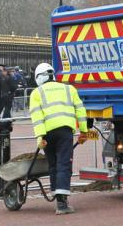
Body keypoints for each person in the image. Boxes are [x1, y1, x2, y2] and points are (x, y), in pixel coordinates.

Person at [29, 62, 89, 215]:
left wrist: (40, 138)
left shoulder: (36, 93)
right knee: (64, 164)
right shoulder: (69, 89)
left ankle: (57, 195)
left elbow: (37, 117)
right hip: (65, 132)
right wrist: (83, 131)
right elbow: (80, 110)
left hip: (48, 134)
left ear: (39, 78)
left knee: (53, 165)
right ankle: (62, 204)